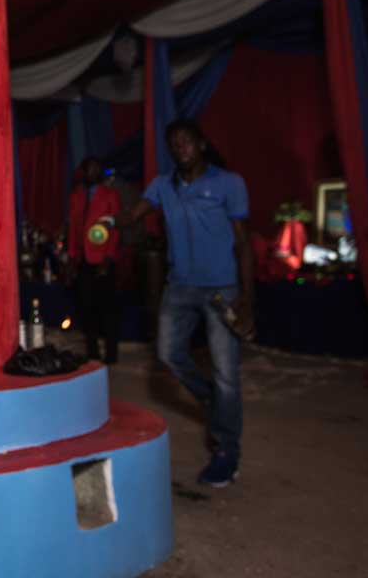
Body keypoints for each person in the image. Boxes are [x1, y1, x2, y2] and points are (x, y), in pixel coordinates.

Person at [124, 119, 253, 488]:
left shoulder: (229, 182)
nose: (180, 147)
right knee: (167, 354)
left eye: (186, 141)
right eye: (174, 142)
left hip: (221, 291)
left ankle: (227, 451)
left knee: (226, 373)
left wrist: (248, 298)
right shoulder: (163, 185)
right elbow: (134, 215)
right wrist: (109, 221)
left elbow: (244, 243)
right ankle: (212, 398)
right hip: (179, 287)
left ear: (201, 144)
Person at [68, 157, 122, 363]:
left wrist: (108, 258)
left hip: (103, 260)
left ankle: (111, 354)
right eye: (88, 169)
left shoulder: (110, 195)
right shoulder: (76, 196)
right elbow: (73, 227)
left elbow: (115, 229)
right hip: (83, 259)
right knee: (86, 307)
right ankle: (92, 352)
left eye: (96, 169)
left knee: (107, 309)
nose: (92, 172)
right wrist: (72, 257)